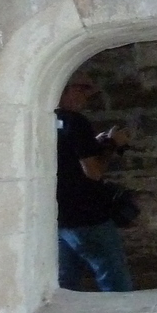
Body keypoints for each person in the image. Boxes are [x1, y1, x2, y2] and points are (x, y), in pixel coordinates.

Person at [55, 77, 134, 291]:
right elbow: (94, 172)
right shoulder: (76, 121)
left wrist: (96, 143)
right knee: (114, 279)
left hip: (59, 216)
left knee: (65, 283)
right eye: (79, 90)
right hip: (87, 215)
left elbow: (67, 158)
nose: (85, 97)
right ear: (63, 90)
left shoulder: (48, 120)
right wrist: (112, 144)